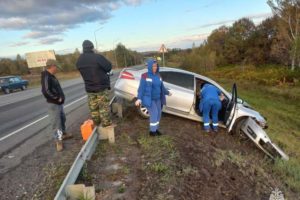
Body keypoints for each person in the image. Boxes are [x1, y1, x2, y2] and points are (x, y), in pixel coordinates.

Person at [76, 40, 113, 130]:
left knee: (94, 108)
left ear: (83, 48)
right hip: (101, 87)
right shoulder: (97, 57)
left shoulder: (79, 60)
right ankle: (106, 126)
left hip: (89, 89)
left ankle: (97, 125)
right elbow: (108, 67)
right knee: (103, 107)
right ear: (92, 47)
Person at [41, 59, 72, 152]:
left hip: (59, 103)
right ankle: (58, 141)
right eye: (56, 66)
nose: (57, 68)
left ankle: (63, 134)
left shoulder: (51, 76)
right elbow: (46, 91)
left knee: (62, 118)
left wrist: (60, 99)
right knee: (56, 123)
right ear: (52, 66)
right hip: (53, 104)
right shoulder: (46, 76)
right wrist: (56, 98)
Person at [135, 59, 171, 136]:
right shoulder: (145, 76)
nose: (155, 67)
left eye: (156, 66)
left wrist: (168, 92)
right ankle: (152, 132)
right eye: (153, 66)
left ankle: (156, 129)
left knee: (158, 114)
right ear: (150, 66)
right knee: (154, 113)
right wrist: (139, 98)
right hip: (149, 99)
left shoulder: (158, 76)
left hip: (157, 99)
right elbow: (141, 88)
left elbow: (162, 87)